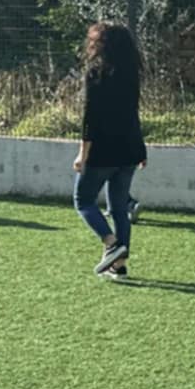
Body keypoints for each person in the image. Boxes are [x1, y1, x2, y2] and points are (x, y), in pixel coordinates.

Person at [74, 22, 148, 279]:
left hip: (103, 150)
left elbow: (90, 117)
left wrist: (82, 153)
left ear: (102, 45)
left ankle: (111, 243)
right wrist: (141, 149)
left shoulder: (96, 73)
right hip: (129, 149)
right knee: (118, 207)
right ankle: (119, 266)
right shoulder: (131, 73)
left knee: (83, 200)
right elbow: (133, 113)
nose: (90, 44)